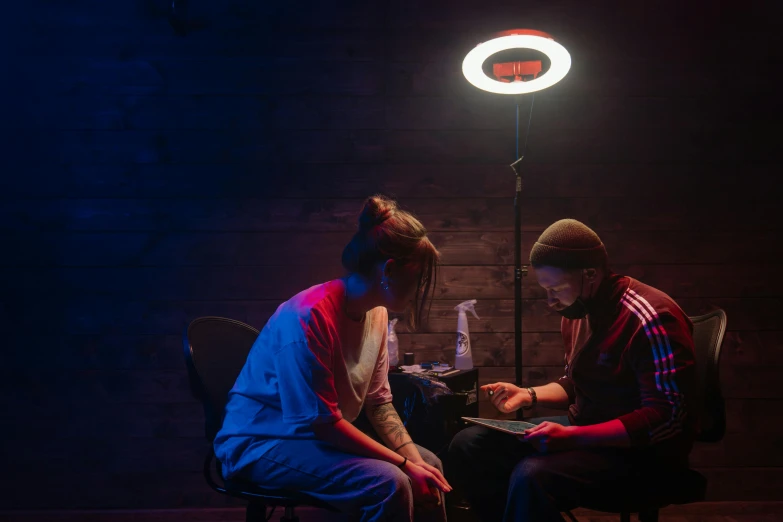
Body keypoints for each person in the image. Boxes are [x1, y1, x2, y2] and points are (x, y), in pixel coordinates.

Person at [213, 195, 451, 522]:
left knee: (431, 469)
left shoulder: (377, 314)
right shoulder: (308, 316)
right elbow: (323, 424)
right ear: (389, 270)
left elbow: (378, 402)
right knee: (391, 482)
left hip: (313, 439)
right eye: (417, 277)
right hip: (260, 443)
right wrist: (404, 466)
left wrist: (415, 462)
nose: (419, 287)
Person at [447, 219, 697, 522]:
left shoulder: (650, 318)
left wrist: (575, 436)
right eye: (545, 289)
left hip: (644, 454)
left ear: (590, 273)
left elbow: (665, 417)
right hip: (587, 429)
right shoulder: (579, 311)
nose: (550, 301)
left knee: (532, 476)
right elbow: (577, 384)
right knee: (469, 445)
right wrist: (527, 395)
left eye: (555, 288)